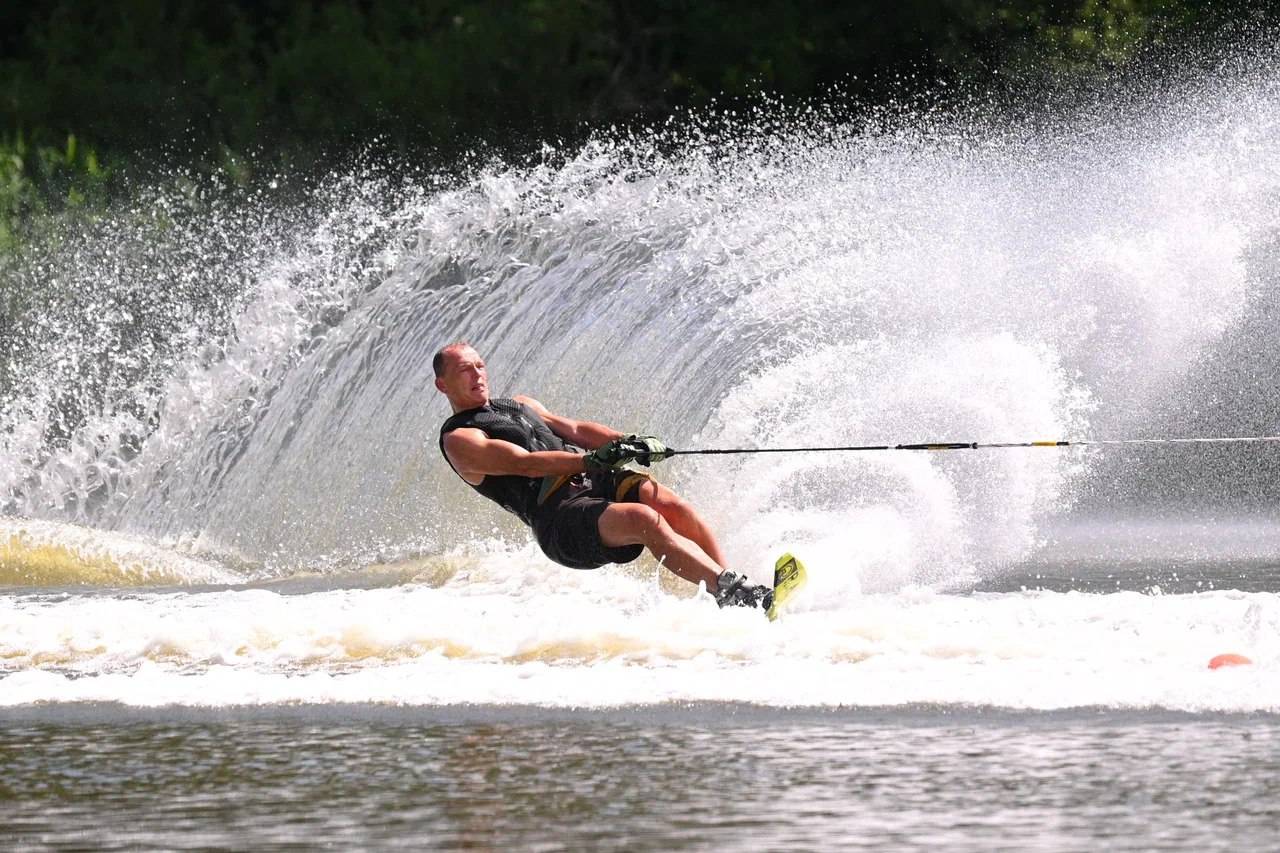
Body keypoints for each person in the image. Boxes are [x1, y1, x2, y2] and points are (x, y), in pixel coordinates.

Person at [433, 342, 771, 609]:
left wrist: (628, 443)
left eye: (479, 365)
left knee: (668, 503)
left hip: (591, 482)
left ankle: (730, 588)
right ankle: (732, 593)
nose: (477, 374)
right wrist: (593, 461)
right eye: (464, 370)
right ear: (442, 384)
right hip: (558, 518)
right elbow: (526, 463)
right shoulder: (460, 439)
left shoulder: (520, 403)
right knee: (644, 519)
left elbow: (577, 430)